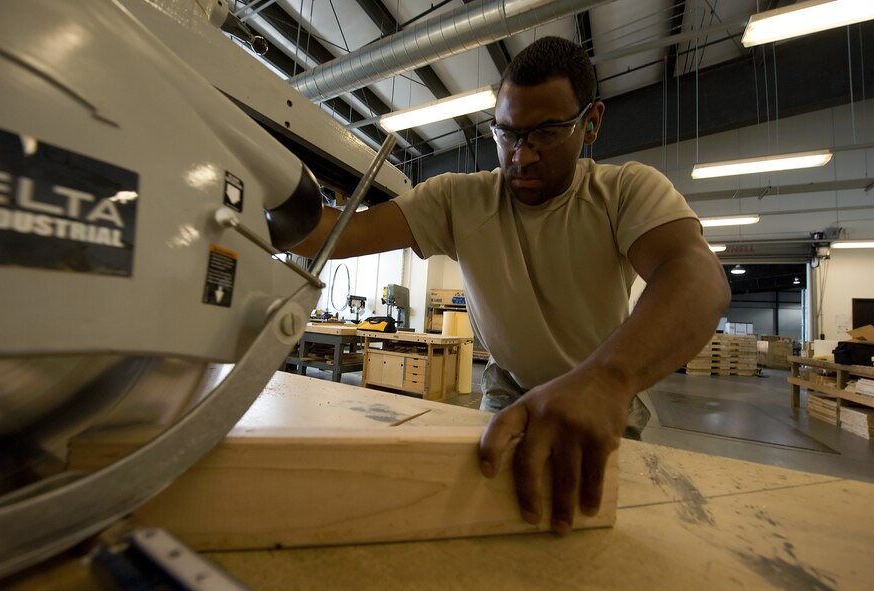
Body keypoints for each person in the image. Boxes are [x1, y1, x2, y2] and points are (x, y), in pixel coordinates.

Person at [291, 36, 730, 535]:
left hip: (601, 386)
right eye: (506, 134)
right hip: (509, 386)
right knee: (492, 520)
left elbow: (698, 278)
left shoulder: (625, 191)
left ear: (591, 123)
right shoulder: (458, 199)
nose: (520, 157)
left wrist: (608, 378)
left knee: (602, 531)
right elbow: (342, 233)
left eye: (544, 134)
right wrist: (246, 191)